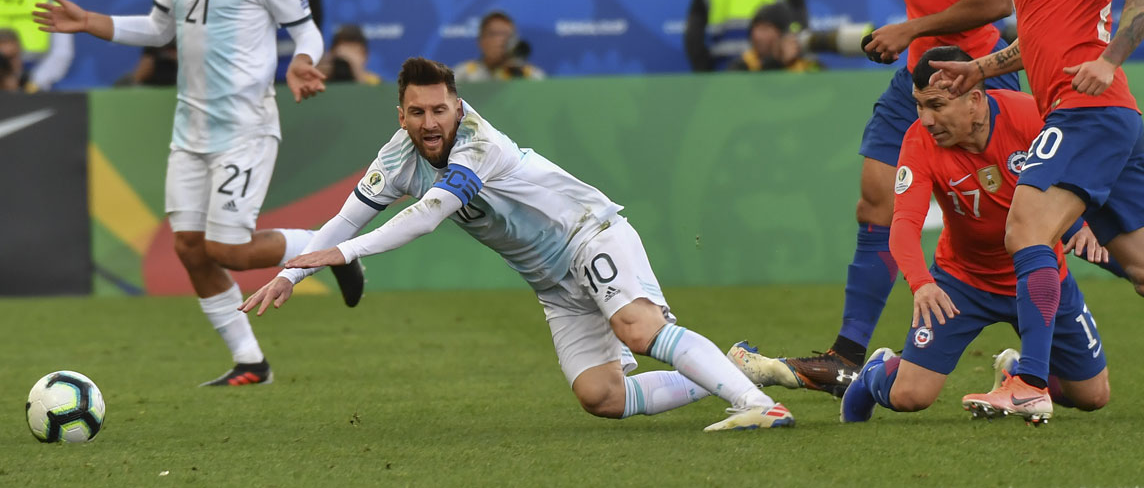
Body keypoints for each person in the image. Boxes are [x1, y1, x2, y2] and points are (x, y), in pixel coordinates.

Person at [242, 56, 796, 432]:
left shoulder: (478, 142)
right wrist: (291, 273)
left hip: (588, 233)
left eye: (440, 109)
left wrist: (346, 254)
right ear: (402, 115)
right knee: (601, 397)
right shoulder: (396, 158)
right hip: (552, 283)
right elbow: (343, 219)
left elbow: (429, 215)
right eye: (418, 112)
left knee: (638, 328)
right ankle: (736, 369)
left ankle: (756, 405)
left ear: (457, 107)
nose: (431, 122)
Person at [32, 0, 363, 387]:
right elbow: (161, 28)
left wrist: (304, 61)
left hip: (246, 129)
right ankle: (251, 362)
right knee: (190, 248)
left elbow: (304, 28)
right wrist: (91, 20)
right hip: (190, 131)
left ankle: (325, 249)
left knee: (227, 249)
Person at [772, 0, 1016, 397]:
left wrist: (911, 28)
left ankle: (1128, 297)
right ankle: (847, 356)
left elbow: (997, 0)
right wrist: (910, 37)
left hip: (970, 80)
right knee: (874, 204)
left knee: (1028, 216)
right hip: (916, 80)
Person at [929, 0, 1144, 420]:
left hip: (1088, 113)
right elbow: (1036, 42)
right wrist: (980, 69)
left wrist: (1108, 58)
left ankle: (1030, 381)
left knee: (1024, 230)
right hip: (1106, 119)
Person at [839, 48, 1107, 423]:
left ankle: (1020, 371)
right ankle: (875, 373)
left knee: (1093, 396)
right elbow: (902, 225)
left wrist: (1083, 224)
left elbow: (1073, 176)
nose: (926, 119)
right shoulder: (918, 140)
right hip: (962, 283)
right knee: (909, 396)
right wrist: (921, 284)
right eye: (919, 106)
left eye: (936, 105)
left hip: (1039, 279)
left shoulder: (1028, 115)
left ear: (975, 100)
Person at [0, 0, 73, 90]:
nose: (7, 67)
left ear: (19, 59)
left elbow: (62, 52)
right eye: (2, 60)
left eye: (11, 58)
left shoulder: (30, 86)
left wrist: (33, 85)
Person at [453, 11, 545, 83]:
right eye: (494, 34)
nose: (501, 40)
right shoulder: (464, 74)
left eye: (506, 34)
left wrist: (517, 72)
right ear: (480, 41)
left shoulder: (529, 75)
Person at [726, 2, 822, 72]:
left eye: (765, 29)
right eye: (755, 28)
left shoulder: (806, 66)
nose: (756, 35)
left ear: (783, 34)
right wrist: (777, 62)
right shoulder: (743, 66)